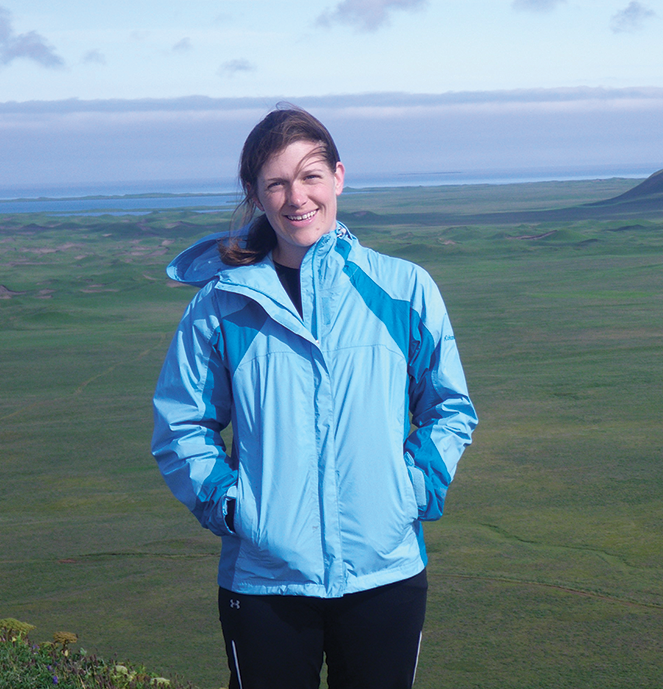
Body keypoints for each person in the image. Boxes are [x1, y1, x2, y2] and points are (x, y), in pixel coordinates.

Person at [150, 105, 476, 689]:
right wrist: (231, 505)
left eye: (310, 176)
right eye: (275, 182)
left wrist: (414, 487)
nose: (296, 197)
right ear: (254, 194)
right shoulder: (222, 305)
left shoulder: (402, 288)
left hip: (386, 572)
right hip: (265, 581)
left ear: (339, 178)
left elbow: (449, 406)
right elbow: (182, 425)